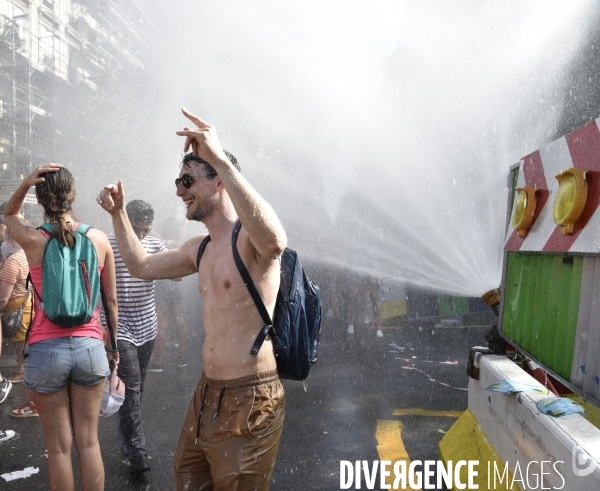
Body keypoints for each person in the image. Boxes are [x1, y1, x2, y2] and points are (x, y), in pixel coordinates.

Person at [97, 109, 287, 490]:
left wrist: (218, 158)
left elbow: (275, 240)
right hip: (207, 394)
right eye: (177, 180)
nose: (179, 190)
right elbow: (140, 266)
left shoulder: (249, 242)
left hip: (251, 397)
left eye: (188, 180)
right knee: (189, 481)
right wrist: (118, 214)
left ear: (219, 182)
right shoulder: (198, 248)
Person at [4, 164, 119, 491]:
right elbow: (111, 303)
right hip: (91, 349)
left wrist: (25, 183)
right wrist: (113, 350)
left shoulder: (32, 239)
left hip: (45, 352)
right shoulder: (98, 239)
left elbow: (8, 214)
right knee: (88, 442)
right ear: (74, 196)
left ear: (40, 199)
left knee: (58, 448)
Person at [107, 199, 166, 473]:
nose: (141, 236)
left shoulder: (154, 244)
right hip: (123, 331)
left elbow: (173, 270)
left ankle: (127, 439)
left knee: (137, 388)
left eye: (146, 229)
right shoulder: (108, 243)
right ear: (126, 224)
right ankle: (137, 451)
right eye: (137, 229)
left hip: (148, 328)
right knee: (131, 390)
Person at [150, 217, 189, 371]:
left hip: (162, 284)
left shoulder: (162, 242)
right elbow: (183, 230)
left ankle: (157, 363)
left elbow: (153, 234)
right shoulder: (181, 243)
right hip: (176, 286)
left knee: (162, 324)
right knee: (180, 321)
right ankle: (181, 358)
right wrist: (185, 220)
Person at [0, 215, 33, 384]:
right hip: (27, 304)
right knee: (24, 343)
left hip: (16, 307)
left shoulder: (12, 262)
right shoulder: (26, 254)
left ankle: (22, 371)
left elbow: (3, 297)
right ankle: (25, 369)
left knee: (19, 344)